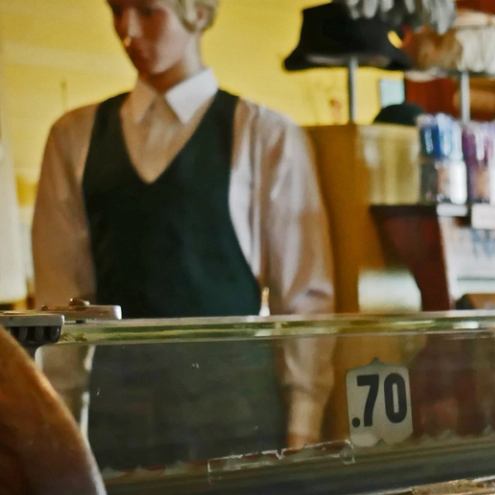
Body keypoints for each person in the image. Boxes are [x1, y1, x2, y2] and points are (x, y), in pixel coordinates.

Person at [32, 0, 332, 317]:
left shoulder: (266, 135)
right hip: (116, 366)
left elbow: (304, 297)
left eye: (148, 12)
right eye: (117, 11)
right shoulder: (72, 136)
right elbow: (59, 289)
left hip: (237, 365)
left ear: (199, 13)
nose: (127, 30)